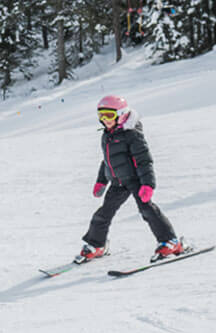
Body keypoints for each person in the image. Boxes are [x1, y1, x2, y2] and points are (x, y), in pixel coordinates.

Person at [73, 95, 187, 264]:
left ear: (121, 114)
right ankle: (97, 245)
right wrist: (101, 181)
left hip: (135, 181)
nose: (105, 120)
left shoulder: (132, 135)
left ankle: (170, 242)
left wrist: (147, 184)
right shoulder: (107, 135)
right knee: (103, 214)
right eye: (101, 115)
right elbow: (107, 160)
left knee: (147, 210)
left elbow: (144, 160)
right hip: (117, 183)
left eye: (109, 115)